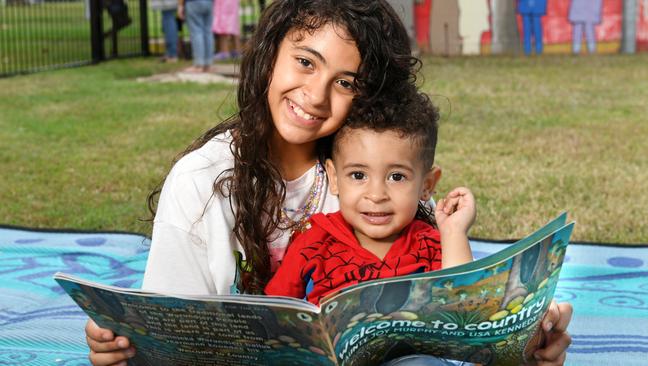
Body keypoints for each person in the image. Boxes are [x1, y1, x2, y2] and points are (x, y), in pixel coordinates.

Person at [84, 1, 573, 365]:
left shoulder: (361, 175)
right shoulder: (201, 181)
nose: (315, 95)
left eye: (346, 82)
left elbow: (452, 295)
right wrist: (124, 345)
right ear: (270, 53)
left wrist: (532, 330)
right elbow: (171, 328)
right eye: (305, 61)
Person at [265, 88, 477, 305]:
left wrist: (454, 233)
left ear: (427, 185)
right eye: (358, 175)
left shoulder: (432, 246)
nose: (376, 195)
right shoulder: (314, 242)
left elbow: (461, 307)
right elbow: (274, 310)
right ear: (335, 178)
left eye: (396, 177)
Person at [178, 0, 214, 72]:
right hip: (209, 2)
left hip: (193, 2)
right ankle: (208, 64)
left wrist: (180, 5)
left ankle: (199, 65)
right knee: (208, 32)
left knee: (196, 32)